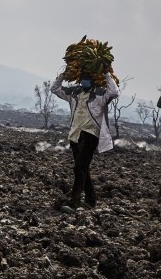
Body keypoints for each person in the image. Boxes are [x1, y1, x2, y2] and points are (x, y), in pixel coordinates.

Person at [51, 72, 119, 209]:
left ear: (93, 81)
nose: (84, 81)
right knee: (82, 168)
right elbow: (55, 89)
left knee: (79, 167)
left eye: (87, 79)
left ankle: (74, 202)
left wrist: (106, 74)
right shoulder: (74, 93)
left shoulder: (100, 94)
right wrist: (63, 75)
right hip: (75, 134)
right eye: (83, 79)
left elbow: (114, 92)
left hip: (90, 134)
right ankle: (91, 200)